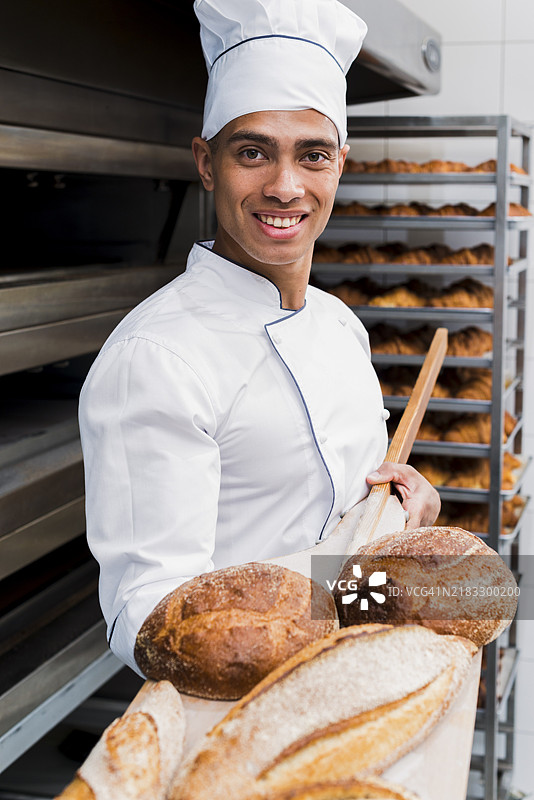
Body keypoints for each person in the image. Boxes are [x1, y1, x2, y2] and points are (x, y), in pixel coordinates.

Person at [79, 0, 440, 675]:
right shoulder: (156, 360)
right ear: (206, 162)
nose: (285, 186)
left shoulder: (339, 325)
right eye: (253, 152)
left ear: (340, 166)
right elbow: (149, 617)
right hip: (231, 729)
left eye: (313, 156)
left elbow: (337, 530)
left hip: (354, 677)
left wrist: (398, 515)